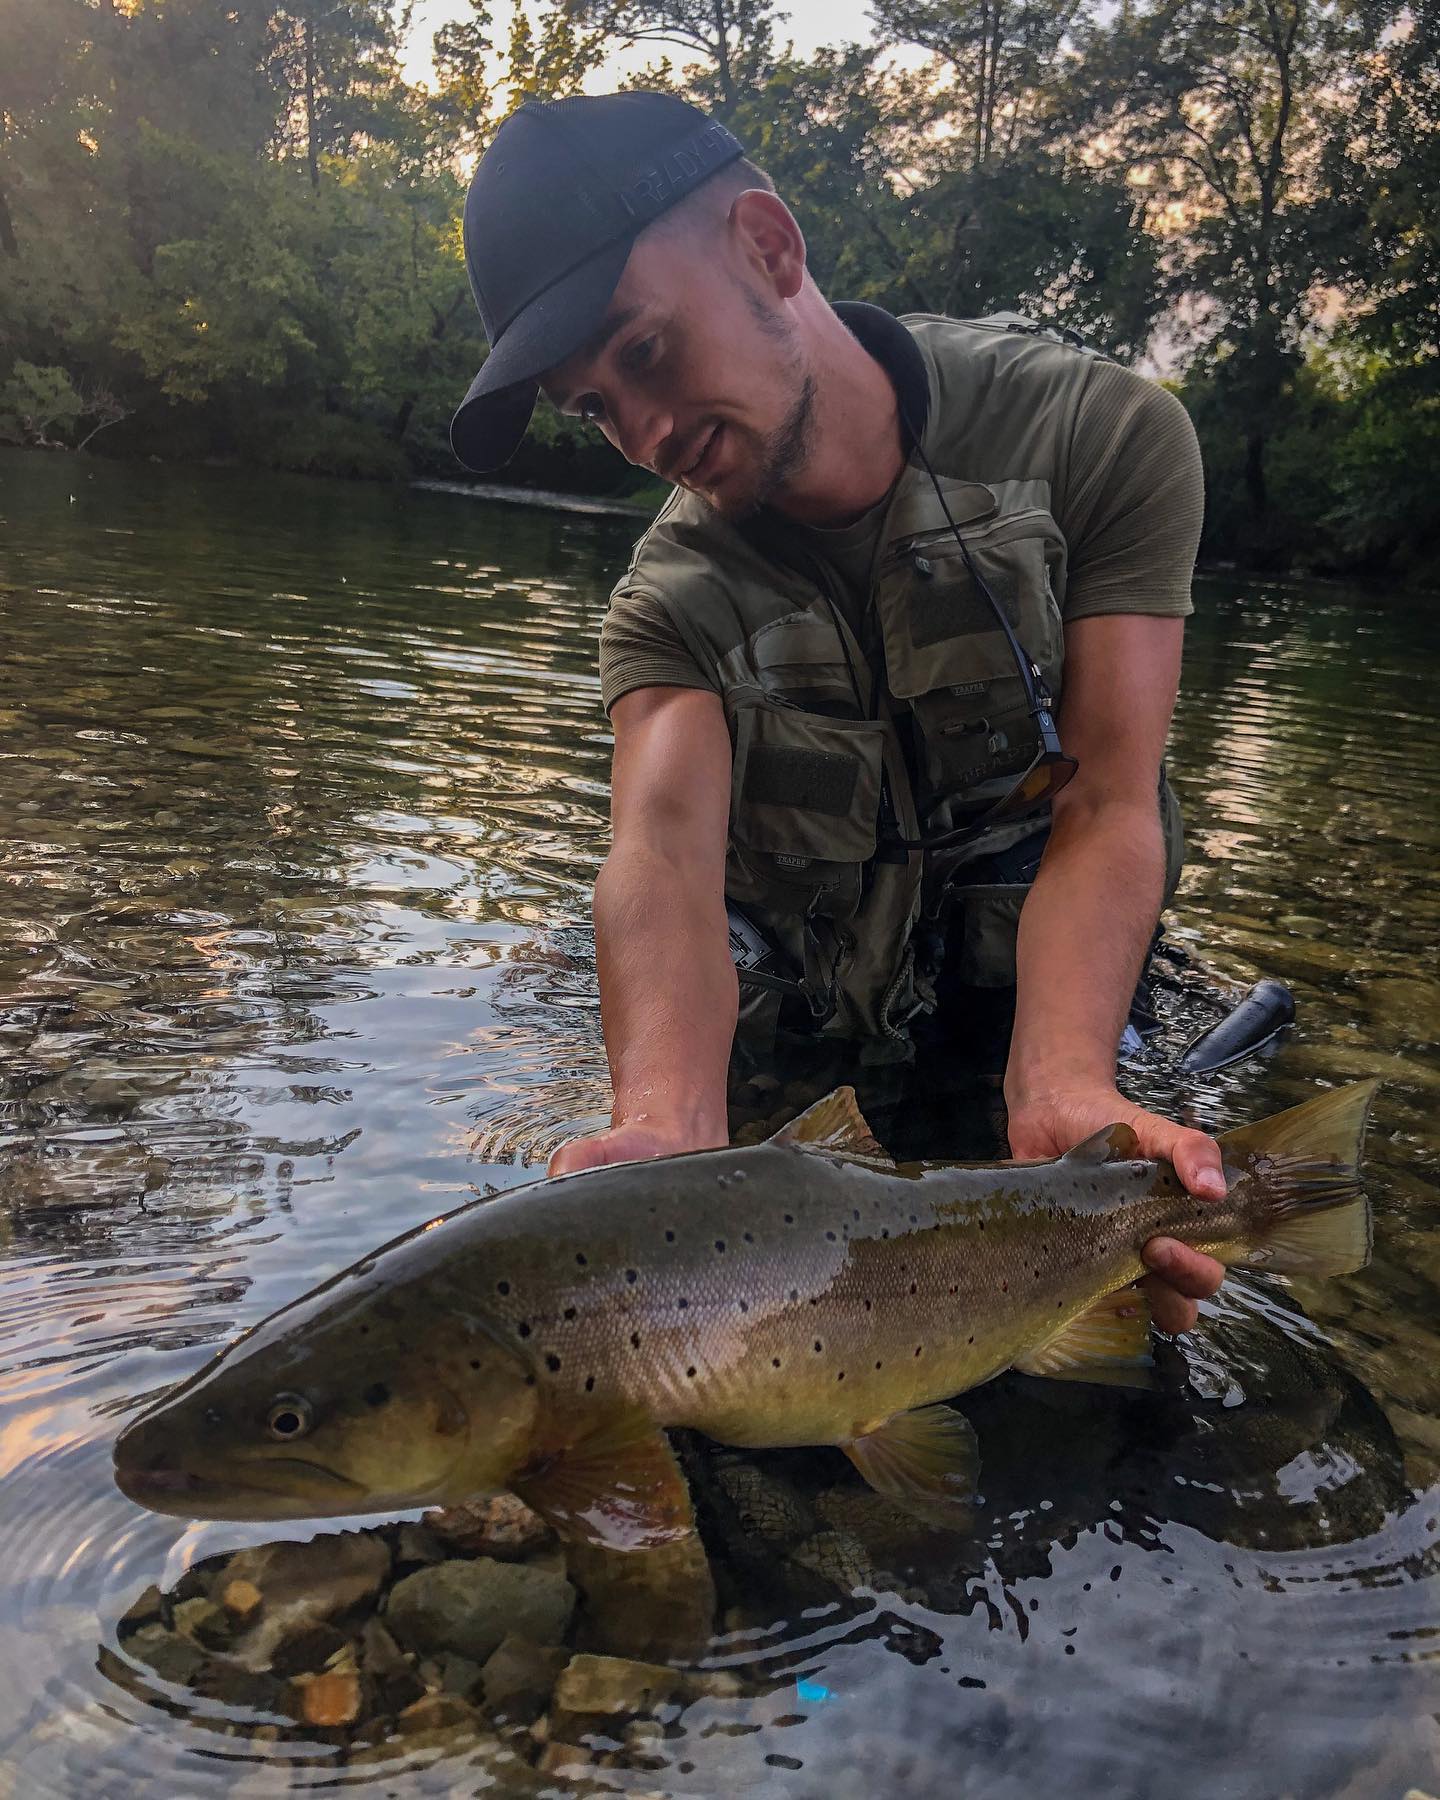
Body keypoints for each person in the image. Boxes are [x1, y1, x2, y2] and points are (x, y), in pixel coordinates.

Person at [450, 90, 1224, 1334]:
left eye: (642, 353)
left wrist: (1067, 1079)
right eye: (593, 408)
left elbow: (1108, 801)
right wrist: (665, 1126)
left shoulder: (1100, 436)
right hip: (814, 978)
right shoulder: (665, 605)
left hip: (1020, 959)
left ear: (768, 245)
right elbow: (659, 858)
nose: (641, 432)